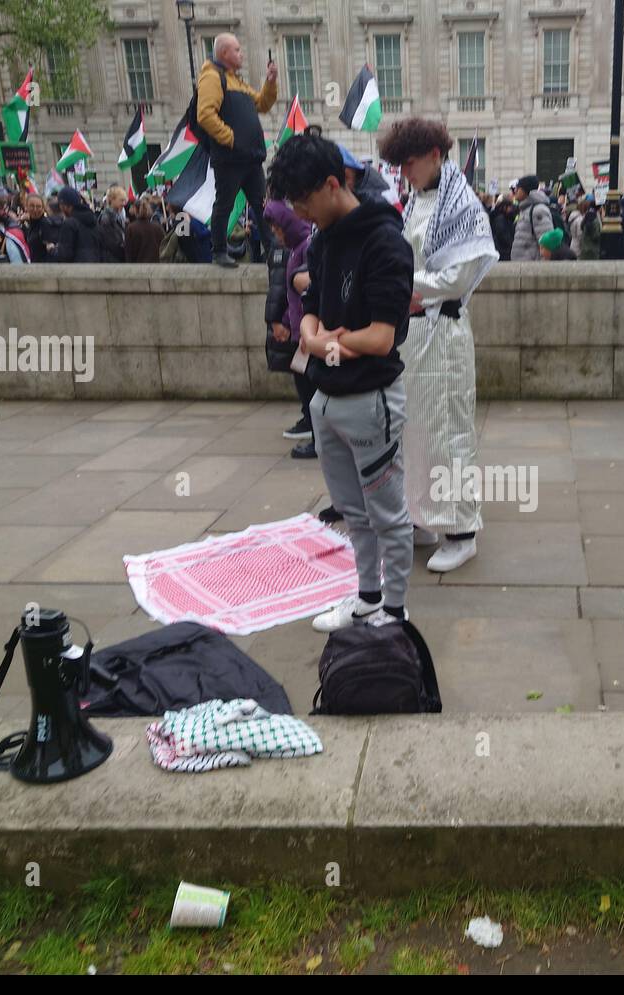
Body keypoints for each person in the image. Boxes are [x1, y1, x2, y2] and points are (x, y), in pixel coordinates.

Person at [265, 131, 415, 631]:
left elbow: (381, 338)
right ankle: (367, 596)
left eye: (304, 201)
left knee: (388, 513)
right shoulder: (324, 241)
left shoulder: (384, 240)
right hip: (325, 400)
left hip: (371, 400)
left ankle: (394, 611)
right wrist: (318, 339)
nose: (300, 213)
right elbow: (308, 311)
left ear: (333, 184)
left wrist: (322, 342)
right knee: (352, 511)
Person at [378, 117, 499, 573]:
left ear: (434, 154)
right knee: (416, 432)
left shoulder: (460, 203)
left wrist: (405, 285)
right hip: (414, 333)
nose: (403, 172)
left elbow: (459, 275)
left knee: (447, 431)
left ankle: (462, 530)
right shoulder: (420, 200)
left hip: (442, 334)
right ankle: (423, 517)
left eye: (408, 163)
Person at [196, 33, 278, 268]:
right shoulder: (212, 77)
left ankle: (272, 247)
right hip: (230, 157)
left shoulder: (236, 81)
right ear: (224, 53)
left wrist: (270, 81)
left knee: (262, 203)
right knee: (224, 204)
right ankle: (219, 250)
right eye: (237, 50)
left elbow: (262, 103)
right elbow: (205, 115)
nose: (241, 54)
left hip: (250, 157)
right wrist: (230, 138)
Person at [263, 198, 316, 458]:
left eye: (277, 227)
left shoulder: (305, 246)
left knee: (313, 384)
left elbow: (306, 291)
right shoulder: (296, 248)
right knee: (303, 379)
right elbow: (288, 295)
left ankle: (318, 435)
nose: (275, 233)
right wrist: (285, 322)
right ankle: (314, 428)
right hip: (299, 328)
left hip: (309, 330)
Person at [509, 175, 553, 261]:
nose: (515, 191)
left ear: (525, 190)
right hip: (522, 266)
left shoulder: (538, 210)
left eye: (518, 188)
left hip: (532, 268)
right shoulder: (525, 209)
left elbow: (547, 242)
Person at [55, 187, 104, 263]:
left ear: (64, 205)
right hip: (95, 266)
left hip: (77, 270)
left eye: (60, 204)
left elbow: (65, 255)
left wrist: (53, 250)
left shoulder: (69, 223)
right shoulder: (93, 218)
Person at [98, 185, 128, 263]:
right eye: (121, 200)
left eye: (124, 200)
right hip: (112, 260)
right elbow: (111, 244)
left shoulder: (117, 216)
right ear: (112, 200)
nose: (124, 203)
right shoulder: (106, 218)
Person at [579, 195, 603, 260]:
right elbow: (596, 235)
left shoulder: (586, 216)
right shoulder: (595, 219)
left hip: (584, 247)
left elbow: (581, 227)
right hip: (593, 250)